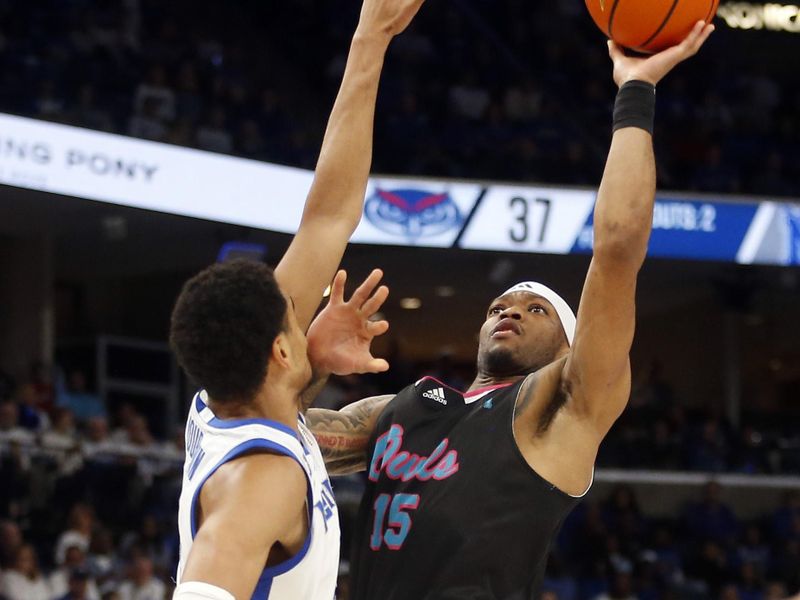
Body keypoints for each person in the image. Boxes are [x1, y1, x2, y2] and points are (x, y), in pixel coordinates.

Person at [306, 22, 716, 599]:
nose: (510, 311)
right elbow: (272, 433)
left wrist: (636, 91)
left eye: (536, 309)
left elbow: (619, 249)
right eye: (500, 304)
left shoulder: (562, 407)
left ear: (571, 346)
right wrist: (314, 365)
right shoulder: (405, 407)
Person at [169, 1, 426, 599]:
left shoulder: (221, 405)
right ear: (279, 353)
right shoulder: (262, 481)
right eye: (295, 313)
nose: (303, 303)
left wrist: (371, 37)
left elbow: (329, 217)